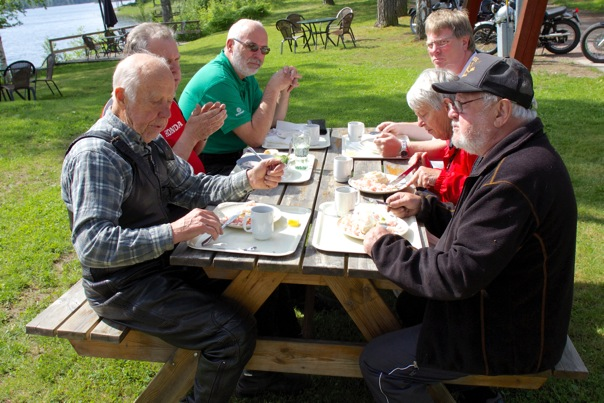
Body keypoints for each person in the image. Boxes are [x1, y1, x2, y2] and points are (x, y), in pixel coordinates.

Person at [61, 53, 290, 402]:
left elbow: (194, 188)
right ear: (121, 97)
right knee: (230, 332)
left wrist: (248, 179)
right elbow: (94, 245)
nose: (166, 116)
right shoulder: (98, 156)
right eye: (156, 103)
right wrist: (173, 232)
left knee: (255, 279)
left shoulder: (146, 140)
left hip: (160, 265)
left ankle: (270, 373)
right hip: (120, 287)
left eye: (169, 101)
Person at [359, 53, 577, 402]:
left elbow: (454, 276)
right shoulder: (514, 154)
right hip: (501, 308)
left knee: (379, 363)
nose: (451, 113)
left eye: (462, 104)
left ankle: (473, 387)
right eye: (450, 103)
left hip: (510, 336)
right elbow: (478, 235)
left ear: (502, 111)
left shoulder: (516, 177)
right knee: (410, 305)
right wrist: (428, 209)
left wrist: (382, 245)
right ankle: (477, 395)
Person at [179, 19, 301, 175]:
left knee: (292, 169)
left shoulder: (242, 73)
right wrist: (272, 88)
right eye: (252, 47)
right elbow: (255, 138)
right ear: (231, 45)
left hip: (236, 155)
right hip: (207, 166)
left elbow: (272, 122)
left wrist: (284, 91)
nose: (258, 55)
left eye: (264, 50)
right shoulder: (219, 80)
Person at [102, 22, 226, 175]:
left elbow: (192, 152)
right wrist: (191, 134)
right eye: (164, 62)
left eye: (176, 60)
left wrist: (202, 131)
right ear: (137, 62)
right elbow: (158, 178)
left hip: (196, 186)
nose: (174, 69)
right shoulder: (128, 112)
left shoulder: (167, 101)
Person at [375, 9, 477, 154]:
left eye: (443, 43)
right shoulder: (453, 75)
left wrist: (403, 149)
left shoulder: (477, 81)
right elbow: (444, 128)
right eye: (430, 45)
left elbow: (462, 142)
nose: (435, 51)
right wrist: (399, 128)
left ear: (464, 42)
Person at [402, 68, 478, 204]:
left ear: (446, 106)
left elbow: (478, 196)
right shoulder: (454, 137)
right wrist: (429, 174)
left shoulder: (473, 139)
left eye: (423, 114)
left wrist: (439, 178)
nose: (420, 123)